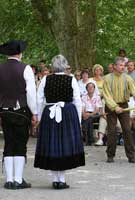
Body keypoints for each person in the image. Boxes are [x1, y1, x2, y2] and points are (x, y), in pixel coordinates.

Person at [0, 40, 38, 190]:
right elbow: (31, 93)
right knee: (20, 144)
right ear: (19, 53)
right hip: (21, 111)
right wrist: (35, 112)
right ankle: (18, 179)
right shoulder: (26, 69)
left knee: (9, 143)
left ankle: (9, 180)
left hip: (4, 110)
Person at [34, 55, 85, 189]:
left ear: (53, 65)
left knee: (52, 145)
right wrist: (78, 120)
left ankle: (56, 179)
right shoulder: (71, 79)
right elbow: (77, 101)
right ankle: (61, 179)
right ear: (65, 65)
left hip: (49, 113)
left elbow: (39, 99)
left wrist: (39, 117)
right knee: (64, 145)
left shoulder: (45, 79)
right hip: (67, 113)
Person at [103, 57, 135, 163]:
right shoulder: (107, 78)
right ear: (114, 66)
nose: (123, 67)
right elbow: (107, 96)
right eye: (121, 65)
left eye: (124, 65)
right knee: (112, 131)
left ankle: (131, 156)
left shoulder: (127, 78)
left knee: (127, 130)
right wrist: (114, 107)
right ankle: (110, 155)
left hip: (124, 105)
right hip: (111, 106)